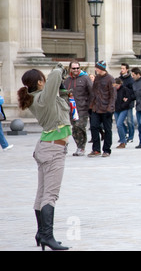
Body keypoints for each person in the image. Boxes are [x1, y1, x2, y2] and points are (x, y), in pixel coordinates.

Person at [17, 64, 70, 250]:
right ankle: (47, 236)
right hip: (53, 149)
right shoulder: (42, 98)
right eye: (43, 80)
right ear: (40, 82)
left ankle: (41, 233)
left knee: (42, 193)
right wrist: (59, 68)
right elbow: (55, 76)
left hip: (46, 147)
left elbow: (62, 106)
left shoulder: (38, 98)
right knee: (50, 195)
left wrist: (62, 85)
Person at [64, 60, 93, 156]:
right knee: (74, 128)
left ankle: (82, 147)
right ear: (70, 69)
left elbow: (92, 92)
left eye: (77, 68)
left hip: (82, 108)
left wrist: (90, 105)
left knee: (80, 126)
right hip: (71, 109)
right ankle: (78, 146)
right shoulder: (67, 80)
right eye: (74, 68)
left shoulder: (85, 78)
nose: (76, 70)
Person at [88, 60, 116, 158]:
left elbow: (113, 95)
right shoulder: (97, 79)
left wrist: (110, 108)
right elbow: (94, 93)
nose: (95, 69)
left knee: (107, 129)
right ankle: (96, 149)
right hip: (96, 108)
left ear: (101, 69)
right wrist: (90, 106)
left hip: (106, 108)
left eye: (97, 68)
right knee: (94, 127)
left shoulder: (111, 79)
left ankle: (107, 150)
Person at [113, 78, 132, 149]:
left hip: (123, 109)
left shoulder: (124, 89)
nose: (115, 86)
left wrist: (123, 105)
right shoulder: (113, 90)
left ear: (120, 84)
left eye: (116, 85)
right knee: (118, 125)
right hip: (116, 109)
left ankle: (123, 141)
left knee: (119, 124)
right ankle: (123, 137)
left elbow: (128, 99)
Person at [119, 63, 135, 143]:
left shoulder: (131, 80)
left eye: (123, 69)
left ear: (127, 69)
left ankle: (131, 136)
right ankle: (125, 133)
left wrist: (127, 98)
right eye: (121, 68)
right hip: (120, 103)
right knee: (120, 121)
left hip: (128, 103)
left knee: (129, 120)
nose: (122, 70)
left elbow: (133, 92)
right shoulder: (119, 79)